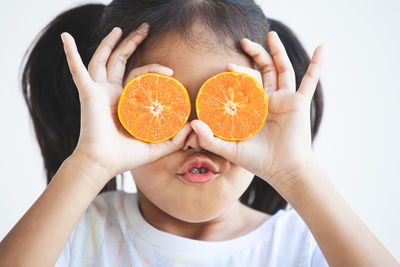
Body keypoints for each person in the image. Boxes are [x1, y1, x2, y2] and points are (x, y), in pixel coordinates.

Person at [0, 0, 398, 266]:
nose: (197, 135)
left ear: (261, 107)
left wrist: (297, 172)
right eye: (160, 104)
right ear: (116, 112)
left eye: (226, 104)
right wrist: (90, 164)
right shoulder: (70, 236)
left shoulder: (307, 248)